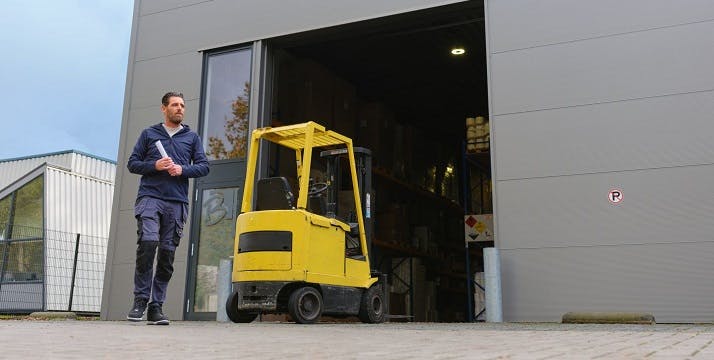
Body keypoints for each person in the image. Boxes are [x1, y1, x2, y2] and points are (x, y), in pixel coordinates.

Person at [126, 91, 209, 325]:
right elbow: (133, 164)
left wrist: (182, 170)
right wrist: (156, 165)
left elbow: (203, 167)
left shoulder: (191, 138)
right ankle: (140, 300)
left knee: (166, 254)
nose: (180, 108)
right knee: (148, 242)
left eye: (182, 105)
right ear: (164, 108)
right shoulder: (149, 134)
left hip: (177, 202)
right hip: (150, 197)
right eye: (175, 105)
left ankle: (156, 307)